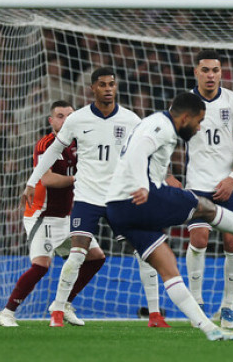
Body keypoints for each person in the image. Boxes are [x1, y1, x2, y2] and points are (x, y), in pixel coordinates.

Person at [105, 92, 233, 341]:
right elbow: (139, 150)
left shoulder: (154, 122)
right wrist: (143, 184)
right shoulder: (162, 126)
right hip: (139, 197)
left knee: (168, 267)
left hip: (117, 209)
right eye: (198, 122)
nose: (199, 129)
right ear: (185, 117)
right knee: (203, 206)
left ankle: (210, 329)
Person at [22, 68, 168, 327]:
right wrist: (33, 180)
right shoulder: (77, 119)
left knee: (144, 252)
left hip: (119, 197)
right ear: (93, 89)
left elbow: (146, 153)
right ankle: (57, 311)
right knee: (78, 254)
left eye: (112, 84)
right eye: (103, 85)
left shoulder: (131, 119)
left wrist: (154, 182)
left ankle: (155, 315)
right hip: (87, 197)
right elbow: (54, 149)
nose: (109, 89)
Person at [185, 50, 233, 329]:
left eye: (215, 70)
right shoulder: (184, 103)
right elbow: (166, 142)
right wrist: (166, 175)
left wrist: (232, 178)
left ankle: (228, 306)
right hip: (197, 184)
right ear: (196, 72)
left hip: (229, 184)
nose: (211, 75)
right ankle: (197, 303)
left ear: (221, 72)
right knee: (199, 239)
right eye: (205, 70)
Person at [0, 101, 78, 326]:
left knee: (95, 257)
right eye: (60, 116)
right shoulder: (46, 144)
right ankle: (7, 312)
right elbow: (48, 179)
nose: (65, 120)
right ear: (51, 121)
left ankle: (64, 304)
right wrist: (76, 179)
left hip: (67, 217)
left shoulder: (80, 144)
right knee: (41, 265)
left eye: (70, 116)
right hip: (43, 215)